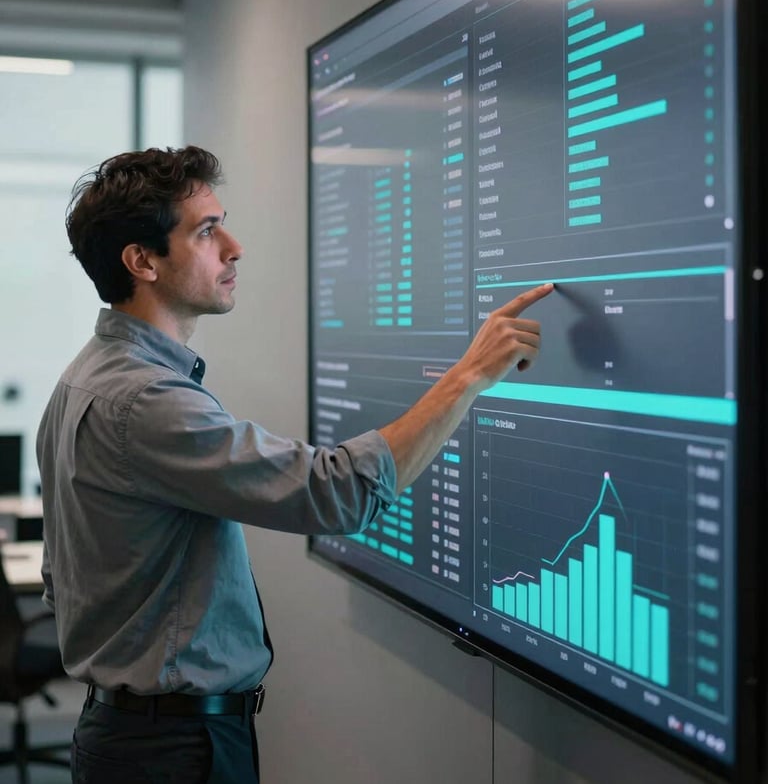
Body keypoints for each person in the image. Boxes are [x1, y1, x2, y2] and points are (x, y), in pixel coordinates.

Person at [36, 145, 553, 784]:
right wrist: (470, 376)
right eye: (205, 231)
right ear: (141, 261)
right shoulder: (145, 399)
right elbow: (335, 495)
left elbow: (62, 580)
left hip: (134, 734)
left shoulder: (82, 381)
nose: (234, 246)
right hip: (169, 751)